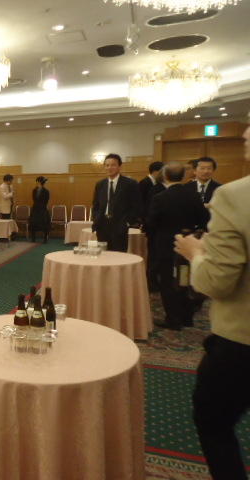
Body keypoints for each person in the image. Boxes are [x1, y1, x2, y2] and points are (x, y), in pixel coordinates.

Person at [174, 119, 250, 479]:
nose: (245, 135)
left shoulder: (235, 195)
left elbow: (217, 283)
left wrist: (196, 254)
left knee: (213, 420)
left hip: (242, 339)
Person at [146, 162, 209, 331]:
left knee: (168, 283)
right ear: (183, 176)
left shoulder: (160, 198)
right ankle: (187, 317)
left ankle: (173, 319)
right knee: (185, 281)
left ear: (165, 176)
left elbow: (151, 223)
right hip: (188, 245)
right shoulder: (194, 195)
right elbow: (205, 220)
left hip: (166, 246)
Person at [91, 153, 142, 252]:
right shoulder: (100, 184)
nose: (109, 168)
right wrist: (96, 218)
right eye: (107, 165)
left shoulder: (130, 184)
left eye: (113, 165)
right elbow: (96, 205)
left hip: (120, 226)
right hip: (102, 226)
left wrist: (127, 222)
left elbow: (137, 206)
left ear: (120, 166)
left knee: (119, 255)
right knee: (103, 255)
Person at [139, 161, 165, 291]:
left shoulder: (156, 184)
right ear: (156, 172)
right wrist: (144, 221)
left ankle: (155, 280)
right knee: (153, 255)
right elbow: (143, 204)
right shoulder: (145, 183)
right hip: (150, 223)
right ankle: (151, 282)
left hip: (155, 223)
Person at [29, 176, 50, 243]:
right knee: (33, 223)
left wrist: (41, 206)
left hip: (43, 209)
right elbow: (34, 199)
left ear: (39, 182)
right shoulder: (34, 190)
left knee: (45, 223)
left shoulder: (46, 191)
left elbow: (46, 201)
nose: (36, 183)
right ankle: (33, 238)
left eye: (37, 181)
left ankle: (45, 238)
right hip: (35, 209)